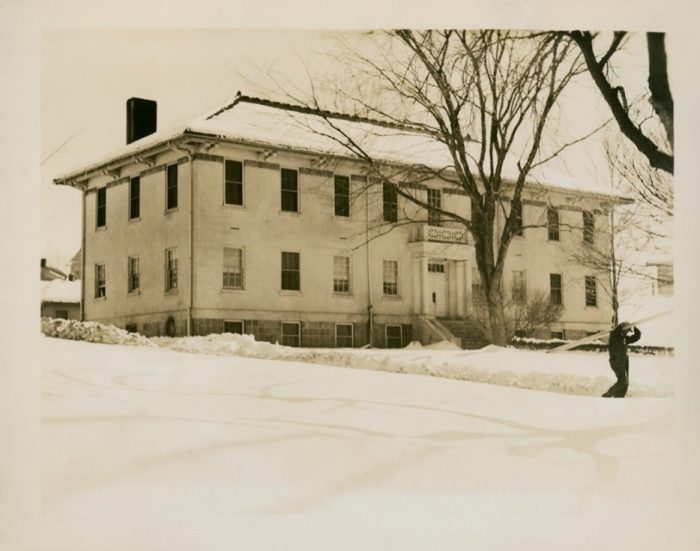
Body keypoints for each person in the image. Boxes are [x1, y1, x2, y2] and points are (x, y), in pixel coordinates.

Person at [602, 322, 641, 398]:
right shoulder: (615, 337)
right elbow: (615, 332)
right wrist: (620, 326)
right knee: (623, 381)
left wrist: (635, 328)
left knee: (625, 382)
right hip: (616, 362)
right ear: (623, 330)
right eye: (627, 331)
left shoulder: (624, 339)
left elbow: (636, 337)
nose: (627, 333)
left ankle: (619, 397)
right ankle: (608, 394)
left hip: (622, 361)